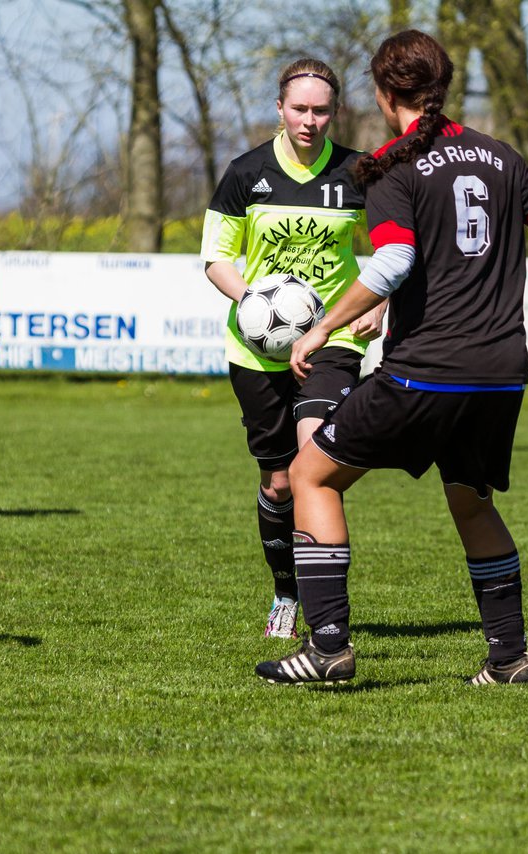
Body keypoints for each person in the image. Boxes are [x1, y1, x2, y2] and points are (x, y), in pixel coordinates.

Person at [255, 30, 528, 686]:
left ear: (382, 92)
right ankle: (510, 658)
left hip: (425, 370)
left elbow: (397, 260)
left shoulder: (394, 165)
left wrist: (322, 330)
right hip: (501, 373)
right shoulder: (499, 156)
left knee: (311, 476)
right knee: (471, 501)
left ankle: (328, 650)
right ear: (444, 88)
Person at [200, 58, 386, 639]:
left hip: (331, 337)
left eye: (322, 110)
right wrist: (254, 300)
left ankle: (325, 611)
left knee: (313, 460)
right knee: (278, 482)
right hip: (256, 349)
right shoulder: (244, 172)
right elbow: (216, 259)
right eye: (300, 109)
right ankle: (286, 590)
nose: (310, 120)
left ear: (335, 112)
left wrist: (376, 303)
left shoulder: (360, 172)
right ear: (279, 108)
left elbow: (391, 249)